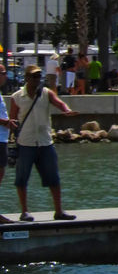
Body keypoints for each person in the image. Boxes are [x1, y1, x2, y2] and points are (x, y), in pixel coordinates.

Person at [9, 64, 77, 222]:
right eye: (33, 76)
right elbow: (13, 119)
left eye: (39, 76)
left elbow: (59, 103)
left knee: (54, 178)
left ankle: (59, 211)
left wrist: (66, 110)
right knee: (22, 178)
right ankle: (25, 211)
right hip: (25, 143)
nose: (37, 79)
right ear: (26, 78)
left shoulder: (46, 93)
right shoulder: (17, 97)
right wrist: (12, 136)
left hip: (45, 142)